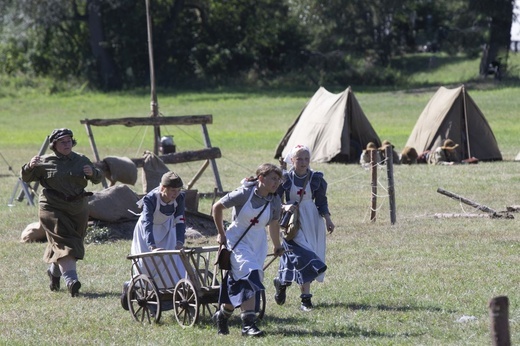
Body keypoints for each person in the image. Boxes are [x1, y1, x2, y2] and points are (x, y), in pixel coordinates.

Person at [20, 128, 103, 297]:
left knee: (72, 240)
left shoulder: (81, 160)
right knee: (65, 240)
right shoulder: (44, 161)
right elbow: (26, 178)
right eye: (62, 142)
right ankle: (71, 280)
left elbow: (98, 178)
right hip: (52, 206)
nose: (67, 144)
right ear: (54, 145)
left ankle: (54, 271)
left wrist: (92, 173)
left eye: (69, 141)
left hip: (78, 208)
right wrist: (29, 166)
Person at [212, 163, 284, 337]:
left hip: (258, 243)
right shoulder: (244, 193)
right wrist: (221, 233)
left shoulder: (275, 199)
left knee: (243, 281)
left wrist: (277, 245)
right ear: (261, 178)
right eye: (273, 179)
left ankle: (222, 314)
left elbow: (273, 225)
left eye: (279, 179)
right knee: (250, 273)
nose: (277, 183)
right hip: (237, 240)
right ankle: (248, 326)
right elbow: (217, 207)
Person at [274, 145, 334, 312]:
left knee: (300, 255)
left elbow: (321, 201)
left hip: (312, 220)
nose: (303, 162)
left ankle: (282, 282)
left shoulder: (316, 178)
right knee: (304, 256)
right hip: (292, 222)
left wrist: (328, 219)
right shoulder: (284, 179)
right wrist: (286, 207)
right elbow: (276, 202)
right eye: (299, 159)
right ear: (292, 160)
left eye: (306, 158)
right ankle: (305, 300)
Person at [121, 171, 187, 310]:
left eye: (178, 190)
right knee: (146, 263)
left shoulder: (180, 198)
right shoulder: (150, 199)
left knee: (171, 261)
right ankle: (132, 286)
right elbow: (147, 223)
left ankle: (168, 294)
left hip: (167, 230)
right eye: (172, 190)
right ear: (163, 188)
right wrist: (151, 246)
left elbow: (180, 220)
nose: (175, 193)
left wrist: (180, 242)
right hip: (147, 232)